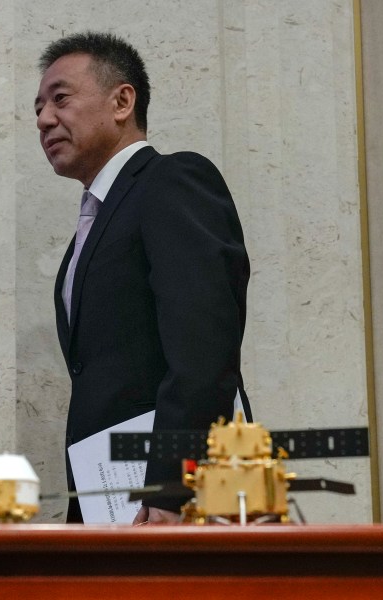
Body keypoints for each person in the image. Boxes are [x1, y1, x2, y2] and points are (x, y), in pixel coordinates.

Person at [35, 31, 251, 524]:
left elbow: (204, 350)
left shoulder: (172, 181)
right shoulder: (90, 230)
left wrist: (171, 488)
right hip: (106, 502)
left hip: (167, 502)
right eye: (38, 108)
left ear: (122, 101)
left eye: (61, 98)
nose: (45, 119)